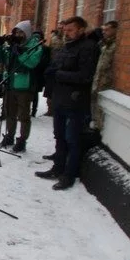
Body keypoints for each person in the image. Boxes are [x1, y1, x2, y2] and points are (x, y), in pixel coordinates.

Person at [36, 16, 99, 190]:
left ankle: (69, 175)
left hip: (75, 102)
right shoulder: (66, 47)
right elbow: (54, 67)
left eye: (70, 30)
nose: (67, 33)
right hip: (60, 99)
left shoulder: (88, 48)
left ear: (81, 29)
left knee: (72, 140)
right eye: (65, 30)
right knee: (59, 136)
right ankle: (57, 168)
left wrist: (59, 75)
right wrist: (50, 73)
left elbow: (85, 76)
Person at [0, 20, 43, 153]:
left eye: (21, 32)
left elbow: (31, 63)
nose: (18, 35)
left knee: (23, 115)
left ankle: (22, 140)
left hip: (25, 85)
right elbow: (1, 60)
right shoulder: (13, 45)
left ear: (27, 33)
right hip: (11, 83)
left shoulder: (35, 46)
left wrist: (19, 52)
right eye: (16, 32)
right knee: (10, 112)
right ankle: (9, 136)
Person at [91, 20, 118, 130]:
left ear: (115, 30)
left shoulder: (116, 45)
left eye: (107, 30)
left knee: (102, 114)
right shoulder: (104, 45)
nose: (104, 32)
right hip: (98, 82)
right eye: (103, 30)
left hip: (107, 83)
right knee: (95, 109)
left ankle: (98, 132)